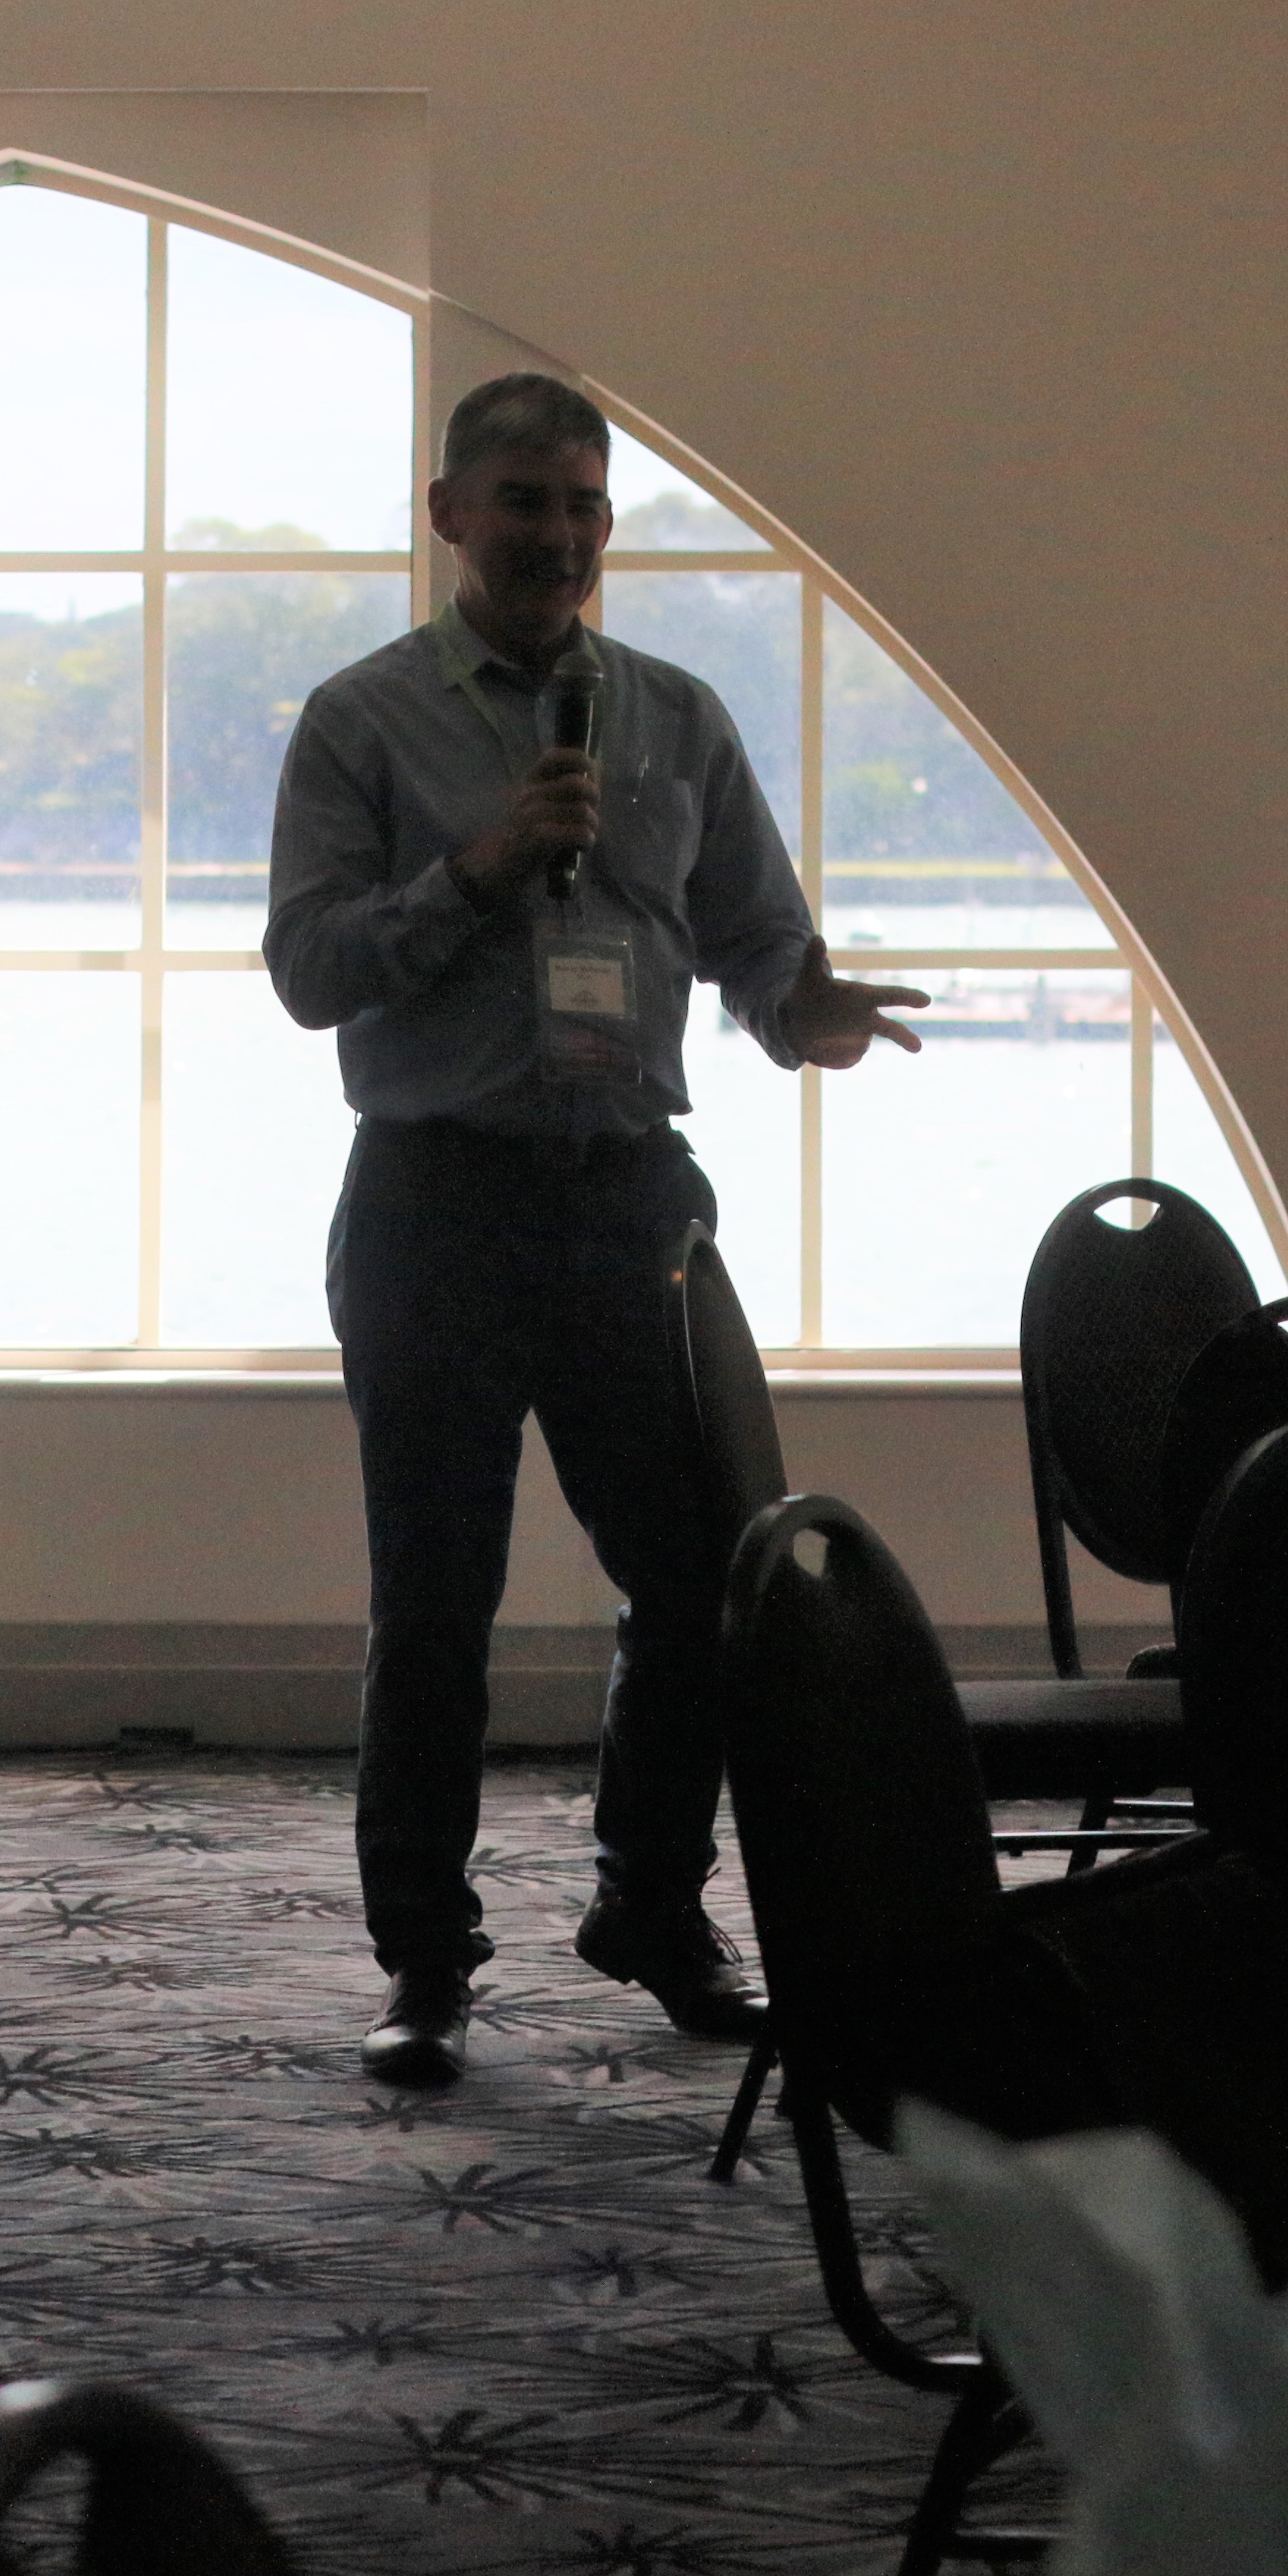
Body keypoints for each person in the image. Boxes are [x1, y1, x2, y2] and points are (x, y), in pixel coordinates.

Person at [263, 373, 925, 2088]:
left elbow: (760, 948)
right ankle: (424, 1961)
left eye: (580, 504)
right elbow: (308, 971)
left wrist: (813, 1013)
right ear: (447, 515)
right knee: (435, 1605)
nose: (556, 536)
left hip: (629, 1201)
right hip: (434, 1203)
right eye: (522, 501)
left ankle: (651, 1906)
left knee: (702, 1585)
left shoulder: (677, 719)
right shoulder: (359, 721)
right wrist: (480, 869)